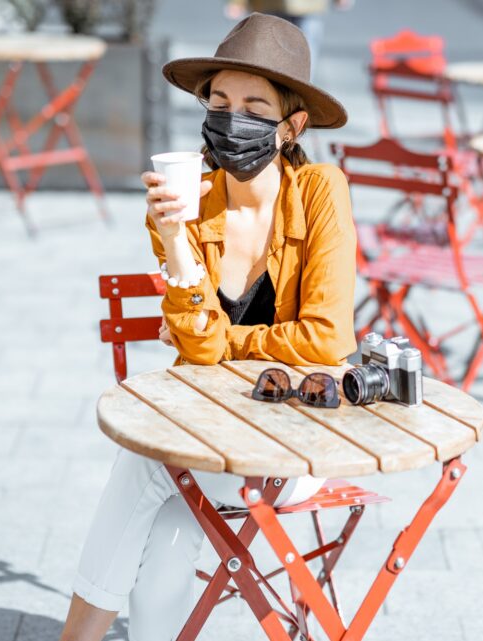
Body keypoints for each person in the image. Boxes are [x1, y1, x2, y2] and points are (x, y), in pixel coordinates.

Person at [59, 13, 355, 641]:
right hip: (206, 438)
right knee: (168, 531)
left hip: (297, 446)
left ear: (292, 125)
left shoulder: (322, 192)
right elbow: (198, 349)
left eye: (253, 105)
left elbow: (327, 339)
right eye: (219, 100)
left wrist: (228, 342)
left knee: (142, 466)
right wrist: (173, 238)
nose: (230, 116)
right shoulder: (185, 200)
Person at [223, 0, 355, 72]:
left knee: (304, 57)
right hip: (271, 4)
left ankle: (299, 100)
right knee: (270, 57)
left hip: (309, 7)